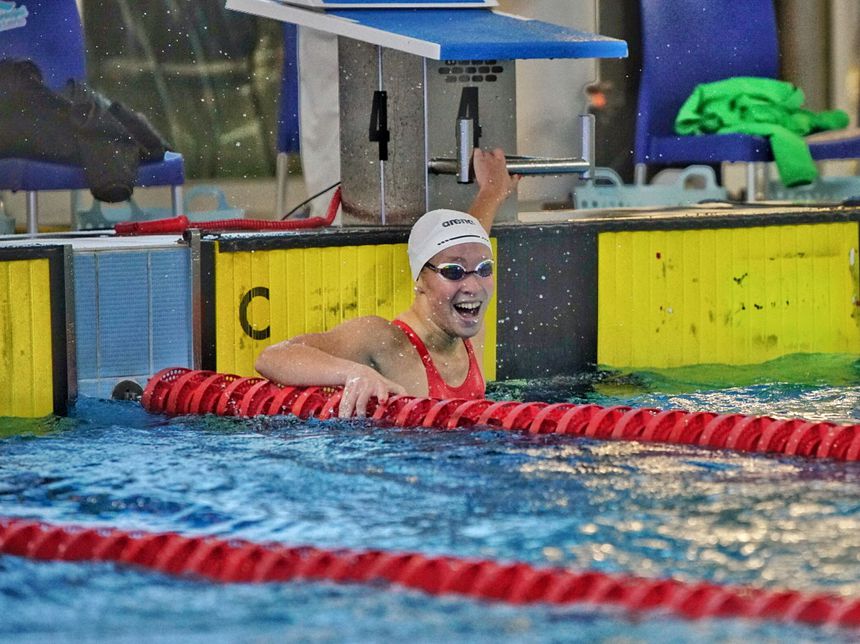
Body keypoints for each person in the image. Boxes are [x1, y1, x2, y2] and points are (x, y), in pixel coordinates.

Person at [255, 148, 519, 417]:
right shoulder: (385, 342)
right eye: (453, 272)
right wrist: (353, 372)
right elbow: (272, 357)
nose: (473, 286)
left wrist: (491, 191)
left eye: (484, 269)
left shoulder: (468, 325)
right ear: (420, 279)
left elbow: (469, 247)